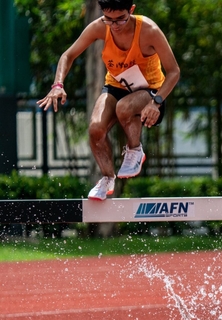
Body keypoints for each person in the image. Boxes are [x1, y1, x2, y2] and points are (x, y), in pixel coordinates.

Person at [37, 0, 180, 201]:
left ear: (131, 10)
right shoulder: (99, 27)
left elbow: (174, 72)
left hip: (150, 91)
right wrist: (57, 85)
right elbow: (68, 55)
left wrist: (156, 102)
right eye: (108, 19)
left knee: (124, 108)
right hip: (116, 87)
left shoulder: (149, 30)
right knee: (95, 128)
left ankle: (135, 149)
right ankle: (107, 178)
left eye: (120, 20)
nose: (114, 26)